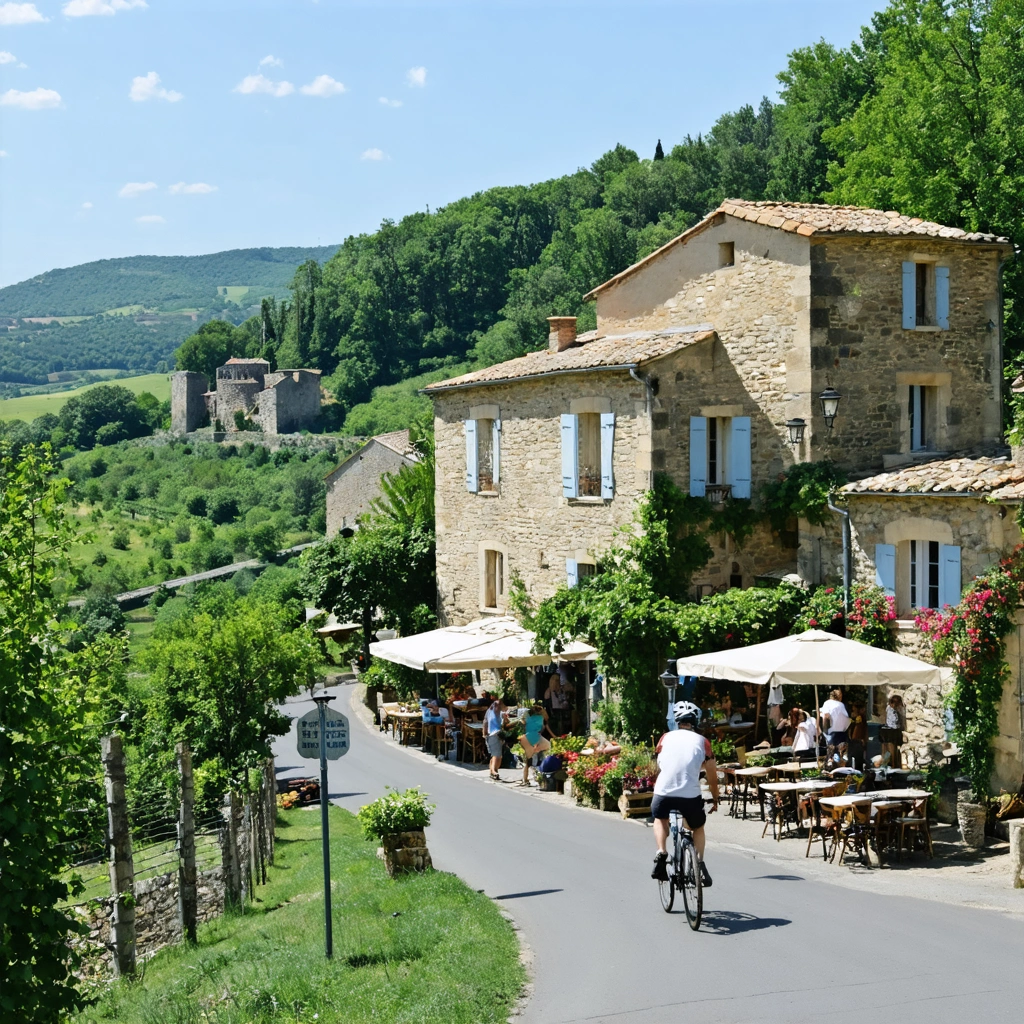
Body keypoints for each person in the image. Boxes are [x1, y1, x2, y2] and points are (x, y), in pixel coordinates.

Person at [651, 701, 719, 888]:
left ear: (677, 721)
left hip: (663, 791)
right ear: (694, 721)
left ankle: (661, 851)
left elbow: (661, 765)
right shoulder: (703, 741)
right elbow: (712, 776)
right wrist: (715, 798)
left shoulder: (665, 738)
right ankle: (699, 864)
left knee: (660, 819)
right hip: (690, 795)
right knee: (697, 826)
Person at [518, 703, 552, 786]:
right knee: (550, 747)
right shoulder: (540, 718)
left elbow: (523, 723)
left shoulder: (528, 718)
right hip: (535, 737)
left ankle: (525, 779)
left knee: (528, 761)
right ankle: (542, 769)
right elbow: (542, 728)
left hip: (525, 738)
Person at [819, 688, 851, 766]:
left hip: (831, 732)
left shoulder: (828, 703)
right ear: (839, 696)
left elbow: (826, 715)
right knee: (841, 753)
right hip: (842, 732)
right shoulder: (841, 705)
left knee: (831, 753)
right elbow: (846, 718)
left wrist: (824, 730)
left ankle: (830, 765)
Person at [482, 698, 507, 782]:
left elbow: (485, 722)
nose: (496, 706)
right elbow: (485, 722)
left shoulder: (498, 713)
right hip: (493, 735)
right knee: (497, 755)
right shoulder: (491, 712)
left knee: (496, 755)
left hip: (497, 735)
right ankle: (494, 771)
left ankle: (492, 772)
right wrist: (484, 733)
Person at [881, 693, 907, 768]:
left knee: (894, 749)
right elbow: (894, 721)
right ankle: (893, 764)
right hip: (891, 731)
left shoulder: (893, 709)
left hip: (893, 730)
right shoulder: (891, 709)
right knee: (891, 750)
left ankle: (894, 764)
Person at [544, 670, 572, 735]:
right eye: (553, 680)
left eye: (557, 680)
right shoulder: (550, 690)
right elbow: (546, 697)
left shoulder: (564, 687)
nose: (555, 682)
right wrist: (551, 688)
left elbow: (571, 689)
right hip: (555, 711)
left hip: (566, 710)